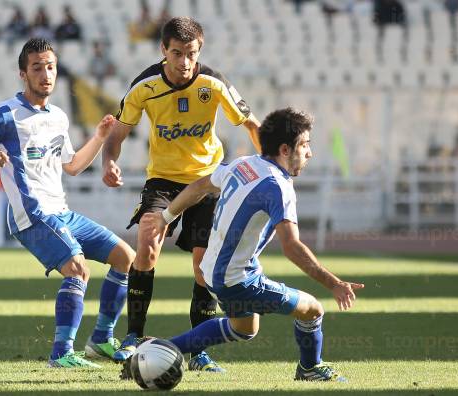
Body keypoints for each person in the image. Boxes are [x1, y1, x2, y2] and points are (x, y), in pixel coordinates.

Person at [141, 107, 365, 381]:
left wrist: (166, 216)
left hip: (212, 270)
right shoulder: (278, 187)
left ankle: (161, 349)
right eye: (305, 145)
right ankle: (310, 369)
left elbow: (200, 186)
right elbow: (292, 247)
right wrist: (334, 283)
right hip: (237, 279)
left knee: (244, 328)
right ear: (285, 149)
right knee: (312, 309)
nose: (310, 153)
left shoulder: (242, 164)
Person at [0, 38, 135, 368]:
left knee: (126, 258)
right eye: (37, 68)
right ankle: (62, 353)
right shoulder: (5, 114)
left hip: (61, 211)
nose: (45, 74)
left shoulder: (58, 117)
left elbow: (73, 167)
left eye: (50, 66)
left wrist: (99, 137)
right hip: (31, 214)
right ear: (23, 74)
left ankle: (100, 341)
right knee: (79, 269)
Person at [102, 16, 261, 372]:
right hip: (163, 180)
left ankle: (200, 351)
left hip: (209, 181)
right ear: (164, 50)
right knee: (146, 241)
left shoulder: (213, 83)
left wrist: (272, 166)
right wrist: (109, 162)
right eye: (177, 53)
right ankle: (133, 337)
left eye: (191, 53)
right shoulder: (144, 86)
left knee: (204, 266)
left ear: (199, 50)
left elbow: (252, 124)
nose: (184, 62)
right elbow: (117, 134)